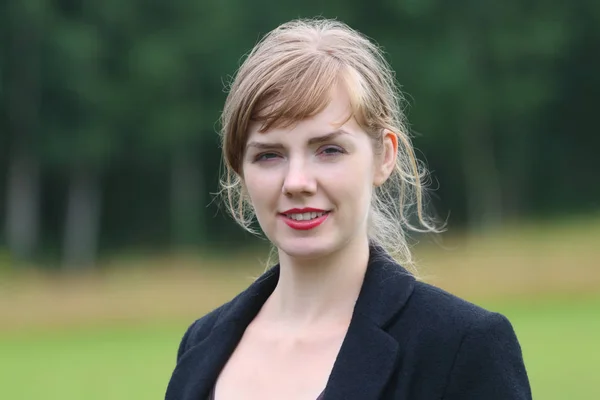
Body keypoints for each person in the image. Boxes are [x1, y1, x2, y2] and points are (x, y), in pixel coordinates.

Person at [165, 18, 532, 400]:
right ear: (240, 169)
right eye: (269, 155)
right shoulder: (202, 344)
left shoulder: (461, 346)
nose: (297, 182)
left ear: (383, 156)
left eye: (329, 150)